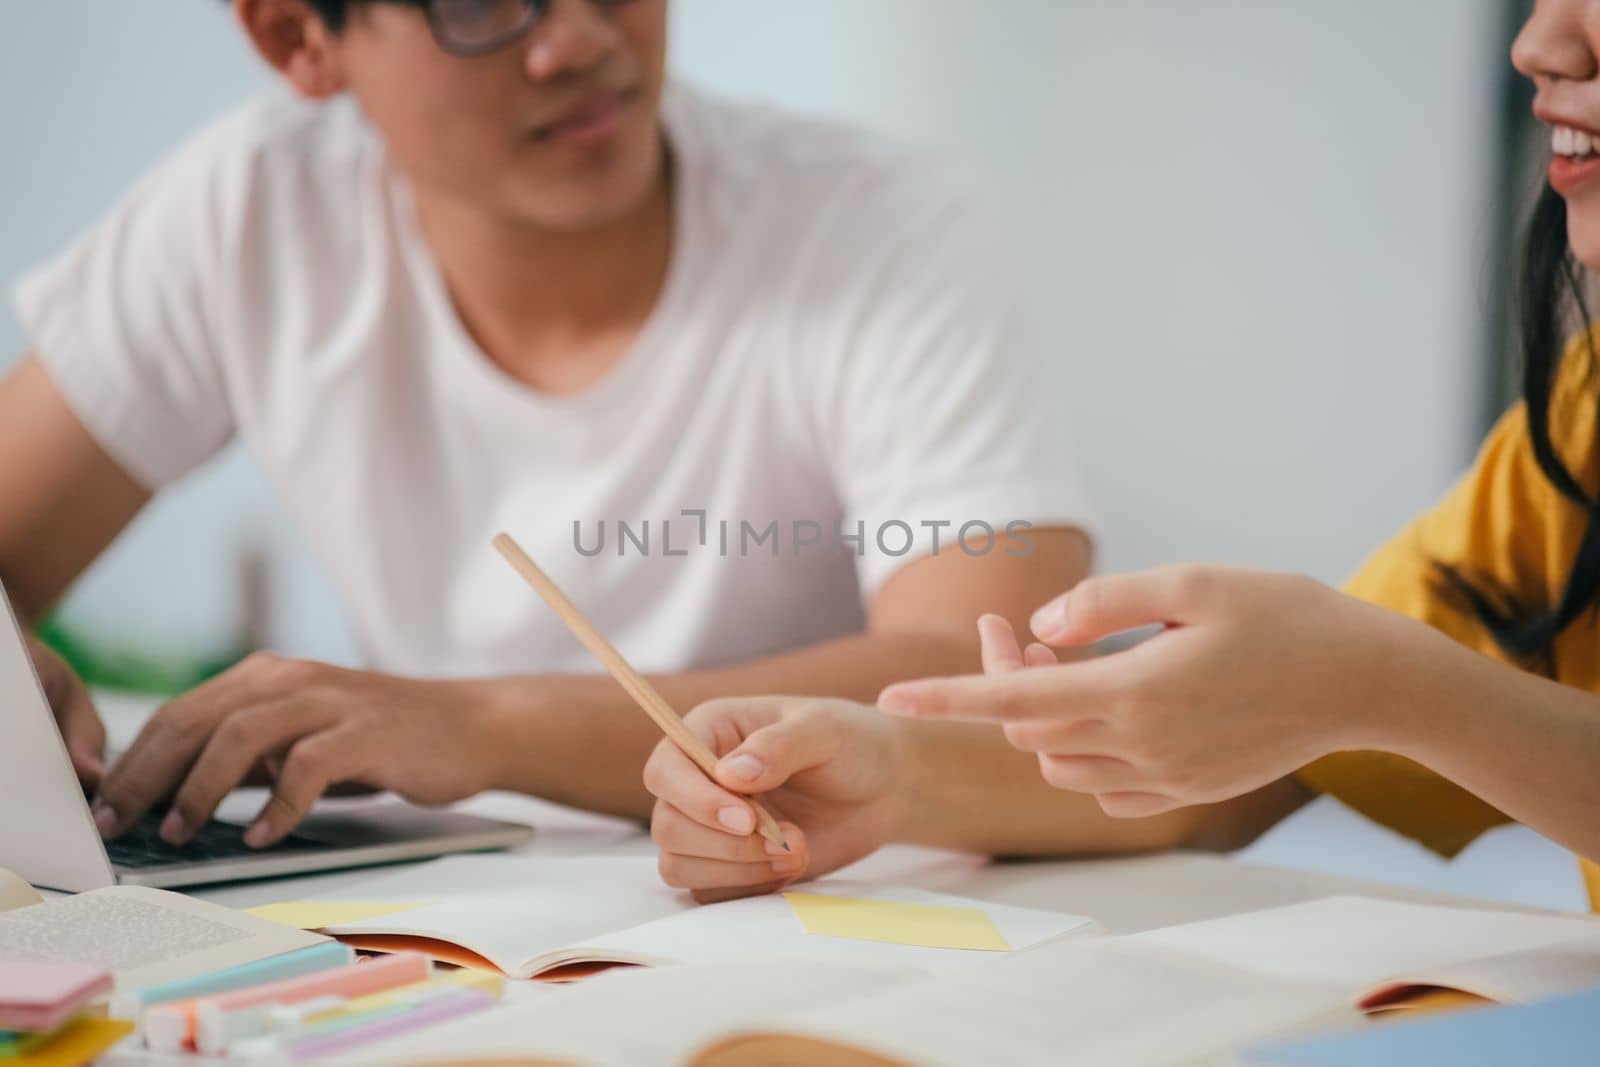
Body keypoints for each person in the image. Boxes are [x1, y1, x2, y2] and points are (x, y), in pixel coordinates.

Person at [0, 0, 1094, 849]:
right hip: (461, 939)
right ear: (298, 38)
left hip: (844, 929)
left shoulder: (880, 226)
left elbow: (996, 691)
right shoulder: (247, 215)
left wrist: (477, 726)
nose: (577, 39)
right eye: (478, 3)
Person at [643, 0, 1600, 905]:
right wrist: (886, 773)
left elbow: (1340, 705)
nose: (1538, 43)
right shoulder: (1575, 430)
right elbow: (1229, 765)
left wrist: (1386, 687)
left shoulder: (876, 214)